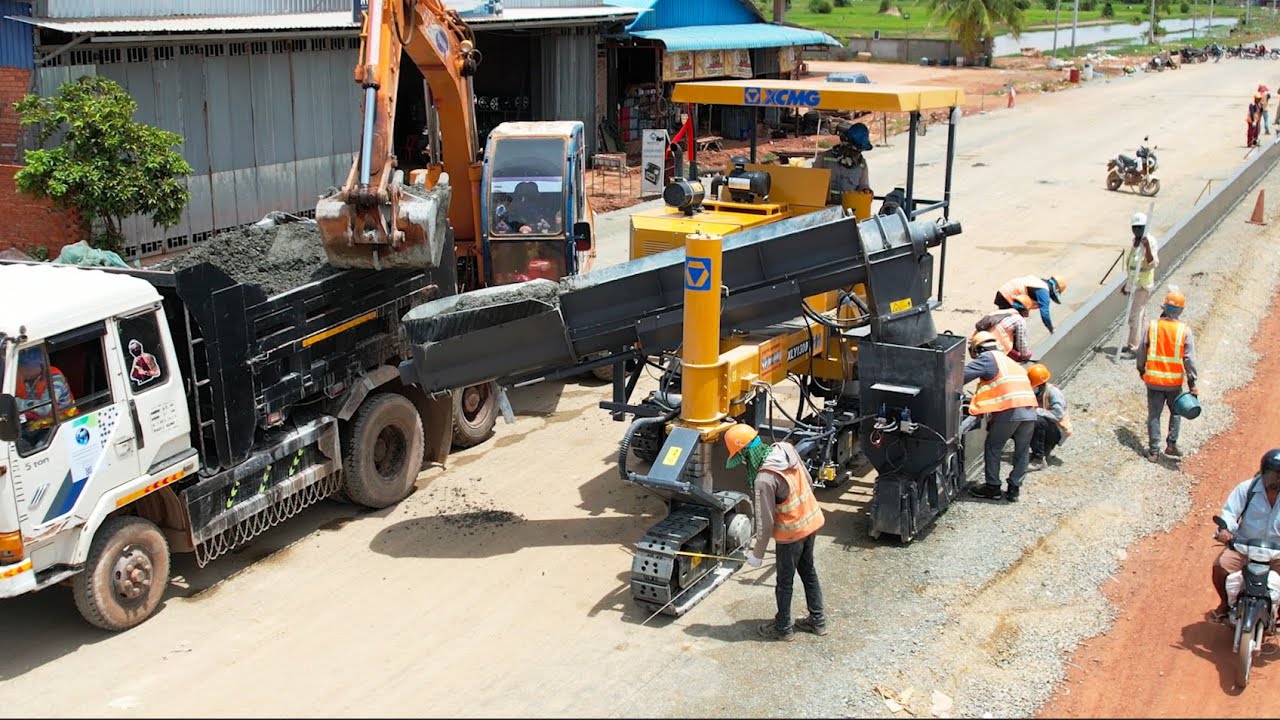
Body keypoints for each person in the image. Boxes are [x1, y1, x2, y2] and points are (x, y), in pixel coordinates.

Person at [723, 423, 827, 641]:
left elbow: (765, 523)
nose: (743, 463)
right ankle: (818, 621)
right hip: (811, 520)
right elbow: (807, 480)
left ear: (745, 454)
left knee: (784, 581)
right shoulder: (786, 449)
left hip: (791, 533)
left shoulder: (764, 479)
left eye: (741, 458)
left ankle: (783, 628)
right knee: (808, 571)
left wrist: (757, 554)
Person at [964, 331, 1039, 502]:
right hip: (1029, 410)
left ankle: (993, 488)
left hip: (1011, 410)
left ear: (977, 349)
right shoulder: (1010, 362)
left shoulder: (987, 359)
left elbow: (959, 377)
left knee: (993, 447)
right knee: (1022, 449)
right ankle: (1014, 489)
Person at [1209, 449, 1280, 623]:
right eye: (1274, 475)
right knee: (1220, 567)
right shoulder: (1246, 489)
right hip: (1244, 547)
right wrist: (1225, 531)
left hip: (1277, 551)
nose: (1277, 480)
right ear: (1264, 472)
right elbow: (1229, 514)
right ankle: (1225, 604)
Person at [1135, 289, 1198, 462]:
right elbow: (1189, 359)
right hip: (1174, 383)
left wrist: (1141, 370)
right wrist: (1192, 384)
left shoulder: (1152, 326)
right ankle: (1171, 445)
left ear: (1164, 307)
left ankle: (1154, 451)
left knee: (1154, 415)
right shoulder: (1184, 331)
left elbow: (1141, 352)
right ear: (1181, 311)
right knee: (1175, 412)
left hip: (1153, 381)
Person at [15, 348, 77, 450]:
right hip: (37, 425)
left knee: (39, 449)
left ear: (34, 366)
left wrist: (14, 403)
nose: (19, 371)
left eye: (21, 367)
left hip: (60, 425)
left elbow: (45, 408)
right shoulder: (28, 380)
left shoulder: (55, 378)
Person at [1120, 212, 1160, 357]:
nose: (1137, 230)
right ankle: (1140, 344)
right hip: (1134, 284)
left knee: (1135, 316)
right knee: (1140, 316)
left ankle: (1134, 348)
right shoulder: (1135, 241)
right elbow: (1132, 266)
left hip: (1142, 285)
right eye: (1135, 227)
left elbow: (1152, 262)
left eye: (1140, 227)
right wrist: (1127, 285)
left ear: (1145, 227)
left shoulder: (1149, 241)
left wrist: (1147, 246)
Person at [1026, 363, 1072, 471]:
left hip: (1058, 430)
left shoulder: (1053, 392)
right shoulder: (1037, 392)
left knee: (1036, 420)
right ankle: (1038, 451)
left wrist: (1038, 411)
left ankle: (1039, 460)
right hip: (1048, 426)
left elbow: (1058, 415)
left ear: (1040, 384)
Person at [995, 275, 1067, 334]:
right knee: (1017, 323)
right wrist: (1051, 329)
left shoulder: (1038, 282)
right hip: (1008, 297)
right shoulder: (1043, 291)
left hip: (1002, 293)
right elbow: (1045, 313)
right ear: (1056, 289)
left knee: (1004, 322)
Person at [823, 123, 873, 199]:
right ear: (846, 143)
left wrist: (866, 192)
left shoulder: (862, 165)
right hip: (826, 208)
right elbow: (813, 183)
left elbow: (863, 187)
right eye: (854, 148)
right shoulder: (824, 158)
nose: (856, 152)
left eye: (859, 150)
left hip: (849, 208)